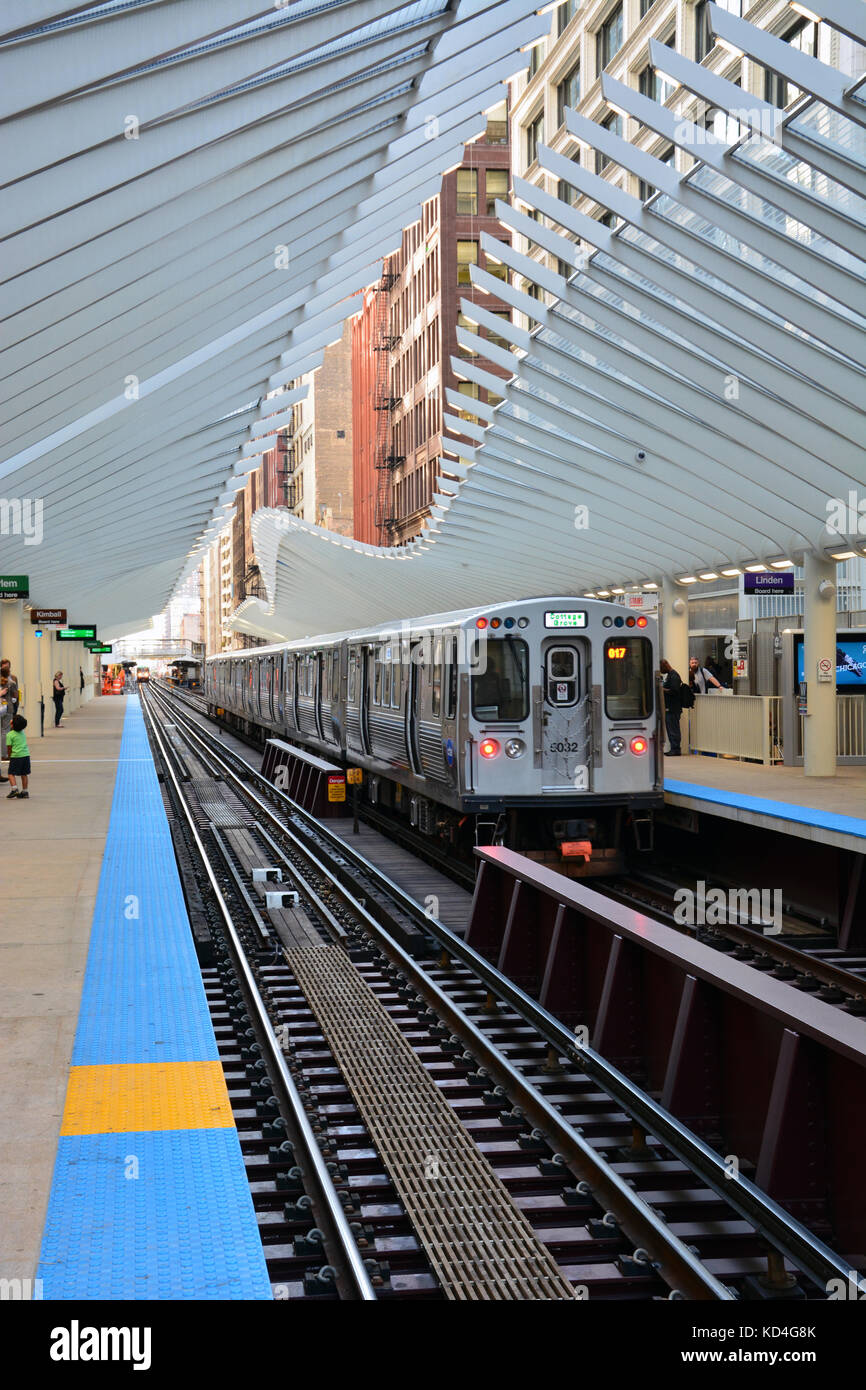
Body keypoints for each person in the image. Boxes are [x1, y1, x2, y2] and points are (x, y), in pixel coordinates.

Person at [659, 658, 684, 756]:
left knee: (673, 728)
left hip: (673, 707)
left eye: (661, 668)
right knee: (671, 728)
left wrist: (662, 689)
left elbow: (674, 691)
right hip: (671, 707)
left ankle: (676, 748)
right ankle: (674, 748)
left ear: (665, 665)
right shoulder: (670, 675)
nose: (661, 670)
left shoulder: (674, 676)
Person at [0, 658, 19, 783]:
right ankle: (5, 753)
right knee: (5, 731)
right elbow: (15, 695)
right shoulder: (11, 682)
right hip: (7, 709)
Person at [6, 714, 30, 799]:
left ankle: (14, 789)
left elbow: (9, 747)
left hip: (16, 756)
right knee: (24, 774)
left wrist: (9, 757)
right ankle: (25, 791)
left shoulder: (10, 735)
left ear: (12, 724)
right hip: (26, 755)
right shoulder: (22, 732)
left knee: (11, 773)